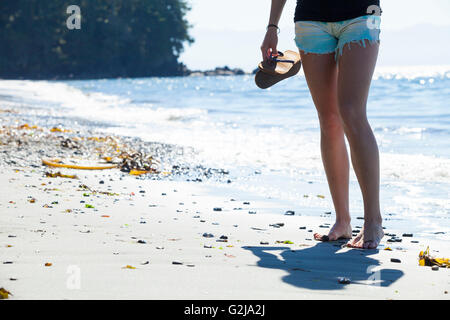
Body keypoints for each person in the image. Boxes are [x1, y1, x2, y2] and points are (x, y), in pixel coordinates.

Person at [261, 0, 384, 249]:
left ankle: (374, 221)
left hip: (363, 14)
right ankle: (343, 221)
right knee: (328, 119)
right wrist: (272, 27)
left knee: (351, 112)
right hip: (311, 18)